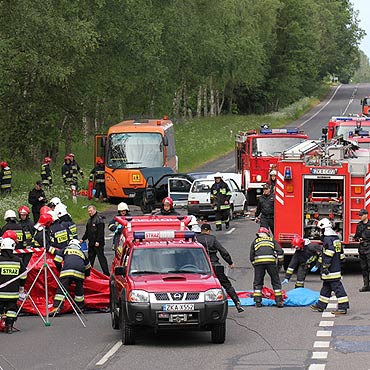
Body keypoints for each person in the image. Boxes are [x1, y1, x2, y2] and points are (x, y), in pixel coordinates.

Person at [196, 223, 244, 313]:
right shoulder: (212, 239)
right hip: (215, 265)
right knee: (227, 285)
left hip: (200, 268)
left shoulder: (196, 239)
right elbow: (223, 251)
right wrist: (230, 262)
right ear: (208, 231)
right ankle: (237, 303)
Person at [310, 218, 349, 315]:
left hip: (331, 269)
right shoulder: (335, 238)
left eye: (320, 230)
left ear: (324, 229)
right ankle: (320, 305)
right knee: (326, 287)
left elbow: (328, 253)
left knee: (337, 288)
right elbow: (340, 253)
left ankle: (343, 308)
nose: (320, 233)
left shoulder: (328, 239)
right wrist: (319, 264)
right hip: (335, 266)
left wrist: (326, 266)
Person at [50, 239, 91, 314]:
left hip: (67, 271)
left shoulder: (65, 249)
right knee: (79, 290)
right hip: (79, 272)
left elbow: (56, 260)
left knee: (61, 289)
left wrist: (60, 269)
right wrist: (86, 276)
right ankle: (79, 308)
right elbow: (88, 266)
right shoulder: (81, 253)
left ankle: (57, 307)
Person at [250, 227, 284, 307]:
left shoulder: (255, 242)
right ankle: (279, 301)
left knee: (258, 282)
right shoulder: (271, 240)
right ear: (267, 233)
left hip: (259, 263)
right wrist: (279, 265)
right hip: (271, 263)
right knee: (275, 281)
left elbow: (251, 256)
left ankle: (258, 301)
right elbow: (280, 251)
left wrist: (255, 265)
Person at [0, 238, 27, 333]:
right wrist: (21, 286)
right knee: (12, 309)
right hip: (13, 293)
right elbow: (24, 275)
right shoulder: (18, 261)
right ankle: (9, 327)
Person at [80, 205, 109, 276]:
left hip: (98, 243)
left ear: (94, 210)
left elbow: (101, 232)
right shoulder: (90, 220)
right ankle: (89, 273)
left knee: (101, 258)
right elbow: (87, 232)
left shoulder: (99, 220)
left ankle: (106, 273)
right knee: (90, 259)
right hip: (91, 243)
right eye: (89, 211)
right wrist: (83, 239)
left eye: (91, 211)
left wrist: (98, 241)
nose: (90, 213)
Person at [354, 208, 370, 292]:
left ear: (366, 215)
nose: (359, 216)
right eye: (359, 215)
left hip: (369, 248)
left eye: (361, 215)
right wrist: (358, 239)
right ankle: (366, 285)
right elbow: (356, 236)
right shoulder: (359, 225)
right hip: (362, 249)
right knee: (364, 268)